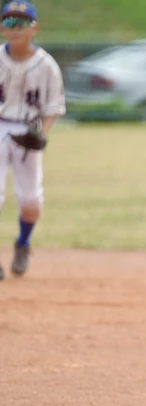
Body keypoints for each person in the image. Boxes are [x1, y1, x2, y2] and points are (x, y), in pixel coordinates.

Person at [0, 1, 65, 279]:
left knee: (30, 202)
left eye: (21, 22)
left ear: (34, 28)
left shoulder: (47, 65)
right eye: (9, 22)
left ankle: (23, 243)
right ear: (2, 27)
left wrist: (42, 134)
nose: (15, 29)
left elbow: (53, 107)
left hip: (29, 132)